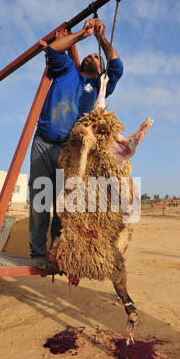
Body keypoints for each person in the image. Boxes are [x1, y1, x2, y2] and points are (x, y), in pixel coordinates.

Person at [29, 18, 123, 268]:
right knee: (39, 199)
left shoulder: (98, 85)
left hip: (68, 152)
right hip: (43, 142)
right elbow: (53, 50)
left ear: (100, 69)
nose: (92, 56)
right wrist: (82, 34)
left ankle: (59, 253)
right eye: (89, 54)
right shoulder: (67, 69)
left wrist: (101, 39)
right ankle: (37, 253)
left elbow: (117, 68)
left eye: (97, 56)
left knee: (64, 205)